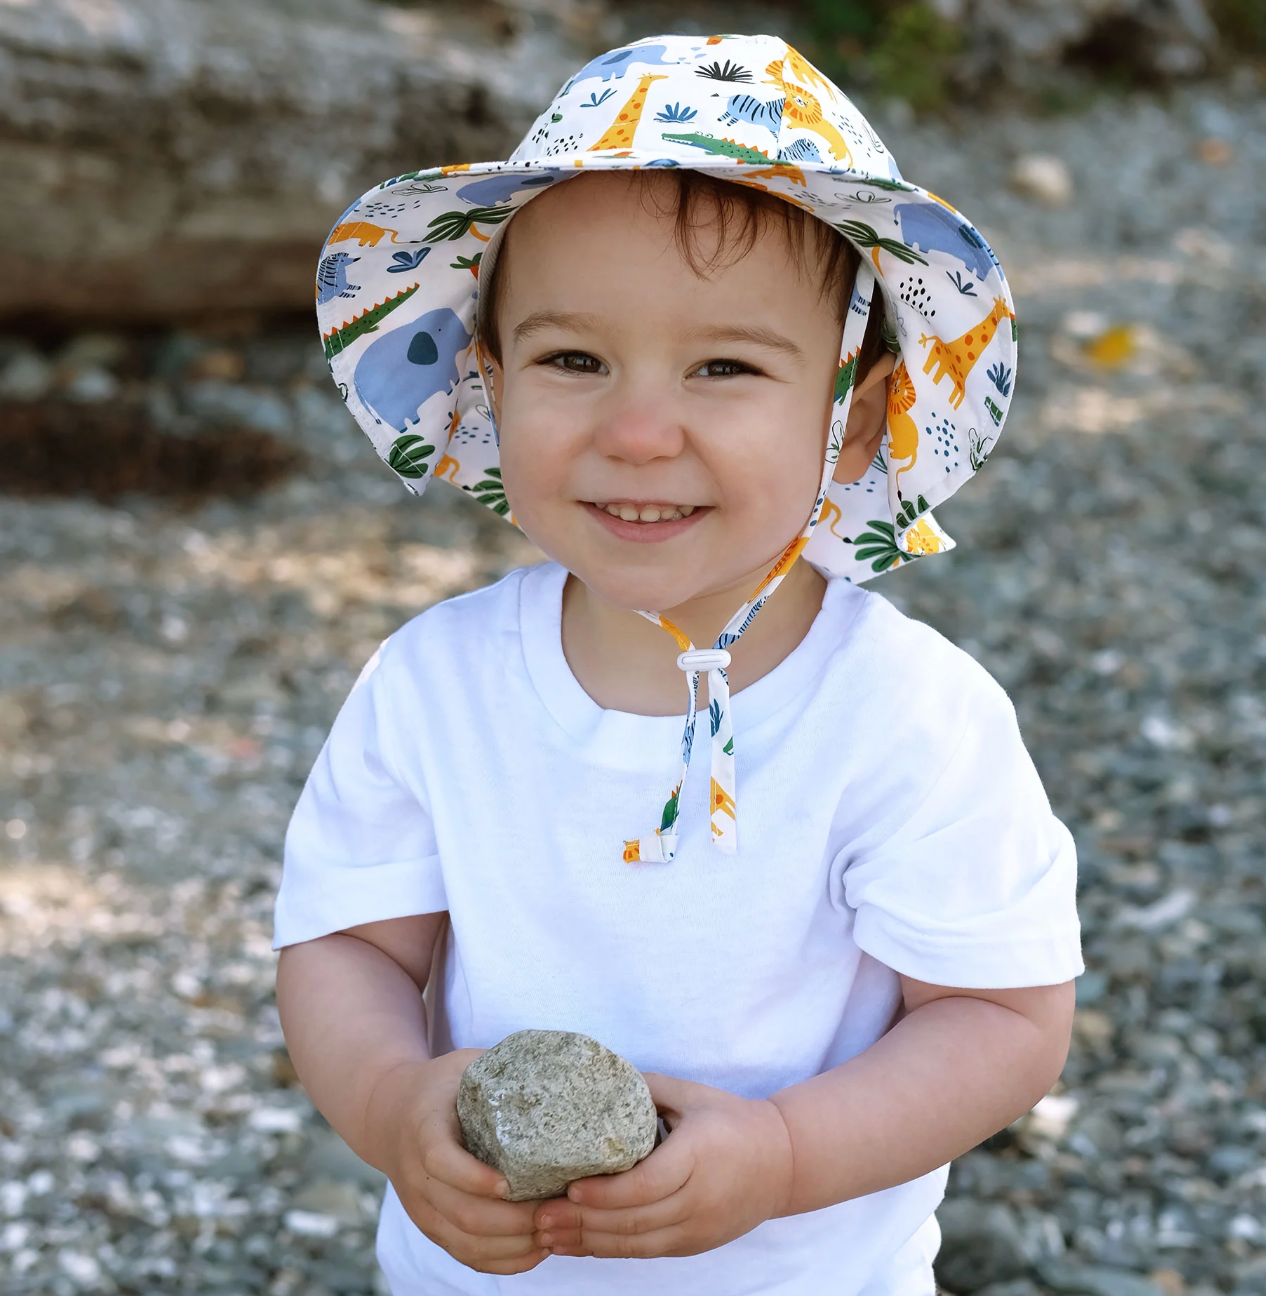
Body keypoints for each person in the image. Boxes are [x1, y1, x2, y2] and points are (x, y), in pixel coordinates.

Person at [273, 33, 1082, 1296]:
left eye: (724, 367)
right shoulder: (434, 685)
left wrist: (785, 1152)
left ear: (851, 412)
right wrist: (393, 1108)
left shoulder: (910, 720)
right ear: (489, 382)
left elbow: (1001, 1019)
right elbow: (348, 951)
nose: (639, 432)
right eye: (573, 361)